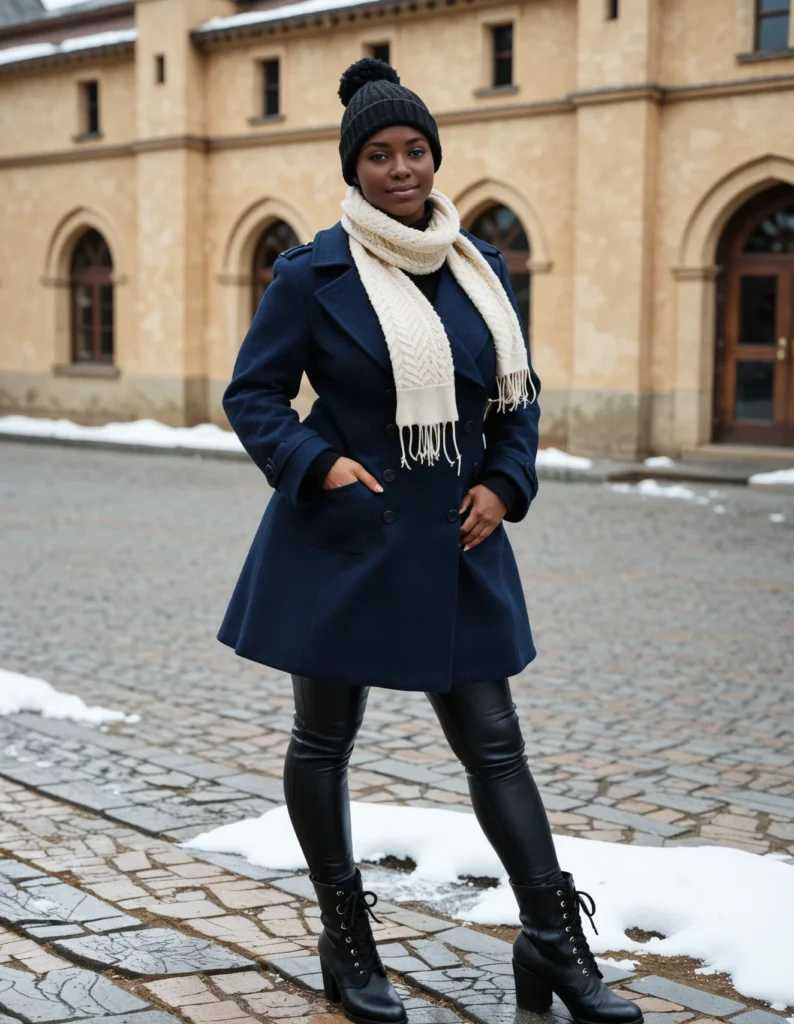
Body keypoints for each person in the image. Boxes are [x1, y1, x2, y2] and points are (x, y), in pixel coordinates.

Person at [218, 58, 642, 1024]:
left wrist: (504, 481)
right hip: (344, 539)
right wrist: (315, 463)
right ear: (353, 167)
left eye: (414, 150)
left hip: (457, 542)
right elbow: (253, 396)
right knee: (324, 740)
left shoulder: (477, 270)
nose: (401, 169)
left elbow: (516, 398)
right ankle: (345, 934)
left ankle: (551, 941)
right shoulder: (311, 271)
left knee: (496, 747)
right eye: (380, 155)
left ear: (435, 156)